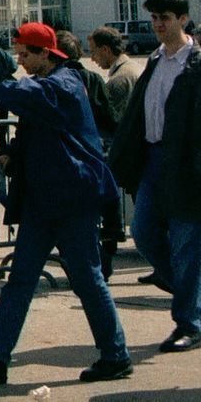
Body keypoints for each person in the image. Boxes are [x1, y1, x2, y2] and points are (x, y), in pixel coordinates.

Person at [0, 23, 131, 384]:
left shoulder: (64, 83)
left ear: (46, 54)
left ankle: (115, 355)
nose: (21, 62)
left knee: (87, 278)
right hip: (48, 199)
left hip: (69, 199)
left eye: (25, 55)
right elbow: (35, 123)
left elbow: (20, 95)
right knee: (21, 280)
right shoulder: (55, 83)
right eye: (18, 55)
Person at [107, 0, 201, 354]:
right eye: (155, 18)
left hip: (187, 166)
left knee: (185, 240)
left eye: (165, 18)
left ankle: (188, 322)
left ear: (182, 19)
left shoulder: (195, 64)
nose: (158, 25)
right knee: (143, 231)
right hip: (155, 160)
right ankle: (189, 293)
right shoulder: (156, 61)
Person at [87, 24, 138, 278]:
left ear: (107, 49)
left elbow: (113, 123)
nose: (93, 59)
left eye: (95, 52)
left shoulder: (119, 80)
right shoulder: (130, 70)